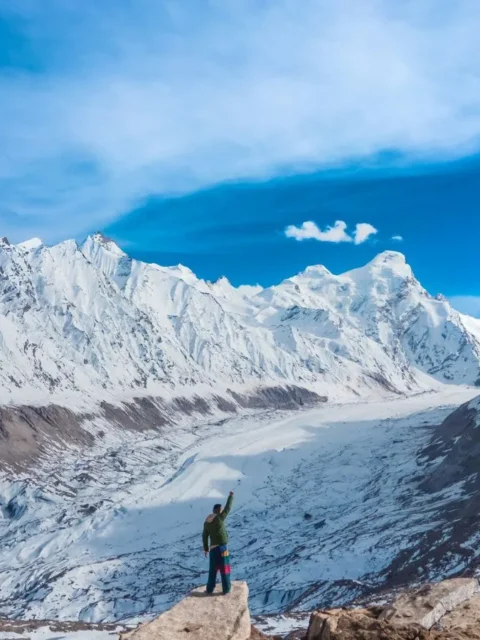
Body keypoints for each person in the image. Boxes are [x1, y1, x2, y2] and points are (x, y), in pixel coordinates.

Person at [202, 491, 234, 595]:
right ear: (218, 511)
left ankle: (209, 589)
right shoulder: (219, 518)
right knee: (225, 569)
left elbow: (204, 536)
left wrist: (206, 549)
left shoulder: (206, 522)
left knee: (212, 570)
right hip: (222, 548)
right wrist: (231, 496)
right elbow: (228, 508)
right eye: (221, 510)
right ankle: (226, 589)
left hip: (212, 550)